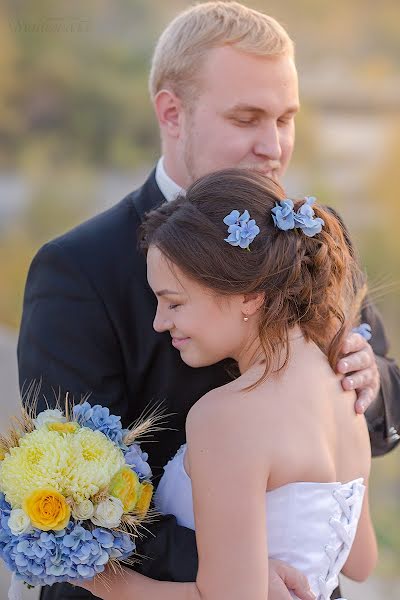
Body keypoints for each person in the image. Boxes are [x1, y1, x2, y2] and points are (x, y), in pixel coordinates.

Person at [17, 2, 399, 600]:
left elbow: (376, 414)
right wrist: (243, 566)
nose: (273, 146)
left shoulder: (314, 238)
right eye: (247, 118)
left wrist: (368, 383)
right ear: (172, 113)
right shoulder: (77, 270)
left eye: (286, 118)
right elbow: (71, 486)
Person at [77, 168, 378, 600]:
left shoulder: (227, 417)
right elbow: (360, 561)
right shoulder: (342, 382)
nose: (161, 323)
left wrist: (97, 576)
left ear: (250, 295)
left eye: (174, 303)